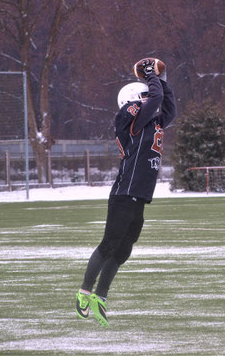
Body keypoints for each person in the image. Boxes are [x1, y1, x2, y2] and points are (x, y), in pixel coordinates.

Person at [75, 59, 176, 327]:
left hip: (138, 195)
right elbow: (153, 101)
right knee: (110, 243)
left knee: (123, 250)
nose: (148, 98)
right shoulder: (128, 117)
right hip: (124, 193)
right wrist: (149, 75)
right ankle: (84, 291)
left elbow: (168, 108)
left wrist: (161, 81)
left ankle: (100, 297)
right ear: (132, 101)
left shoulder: (150, 120)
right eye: (142, 95)